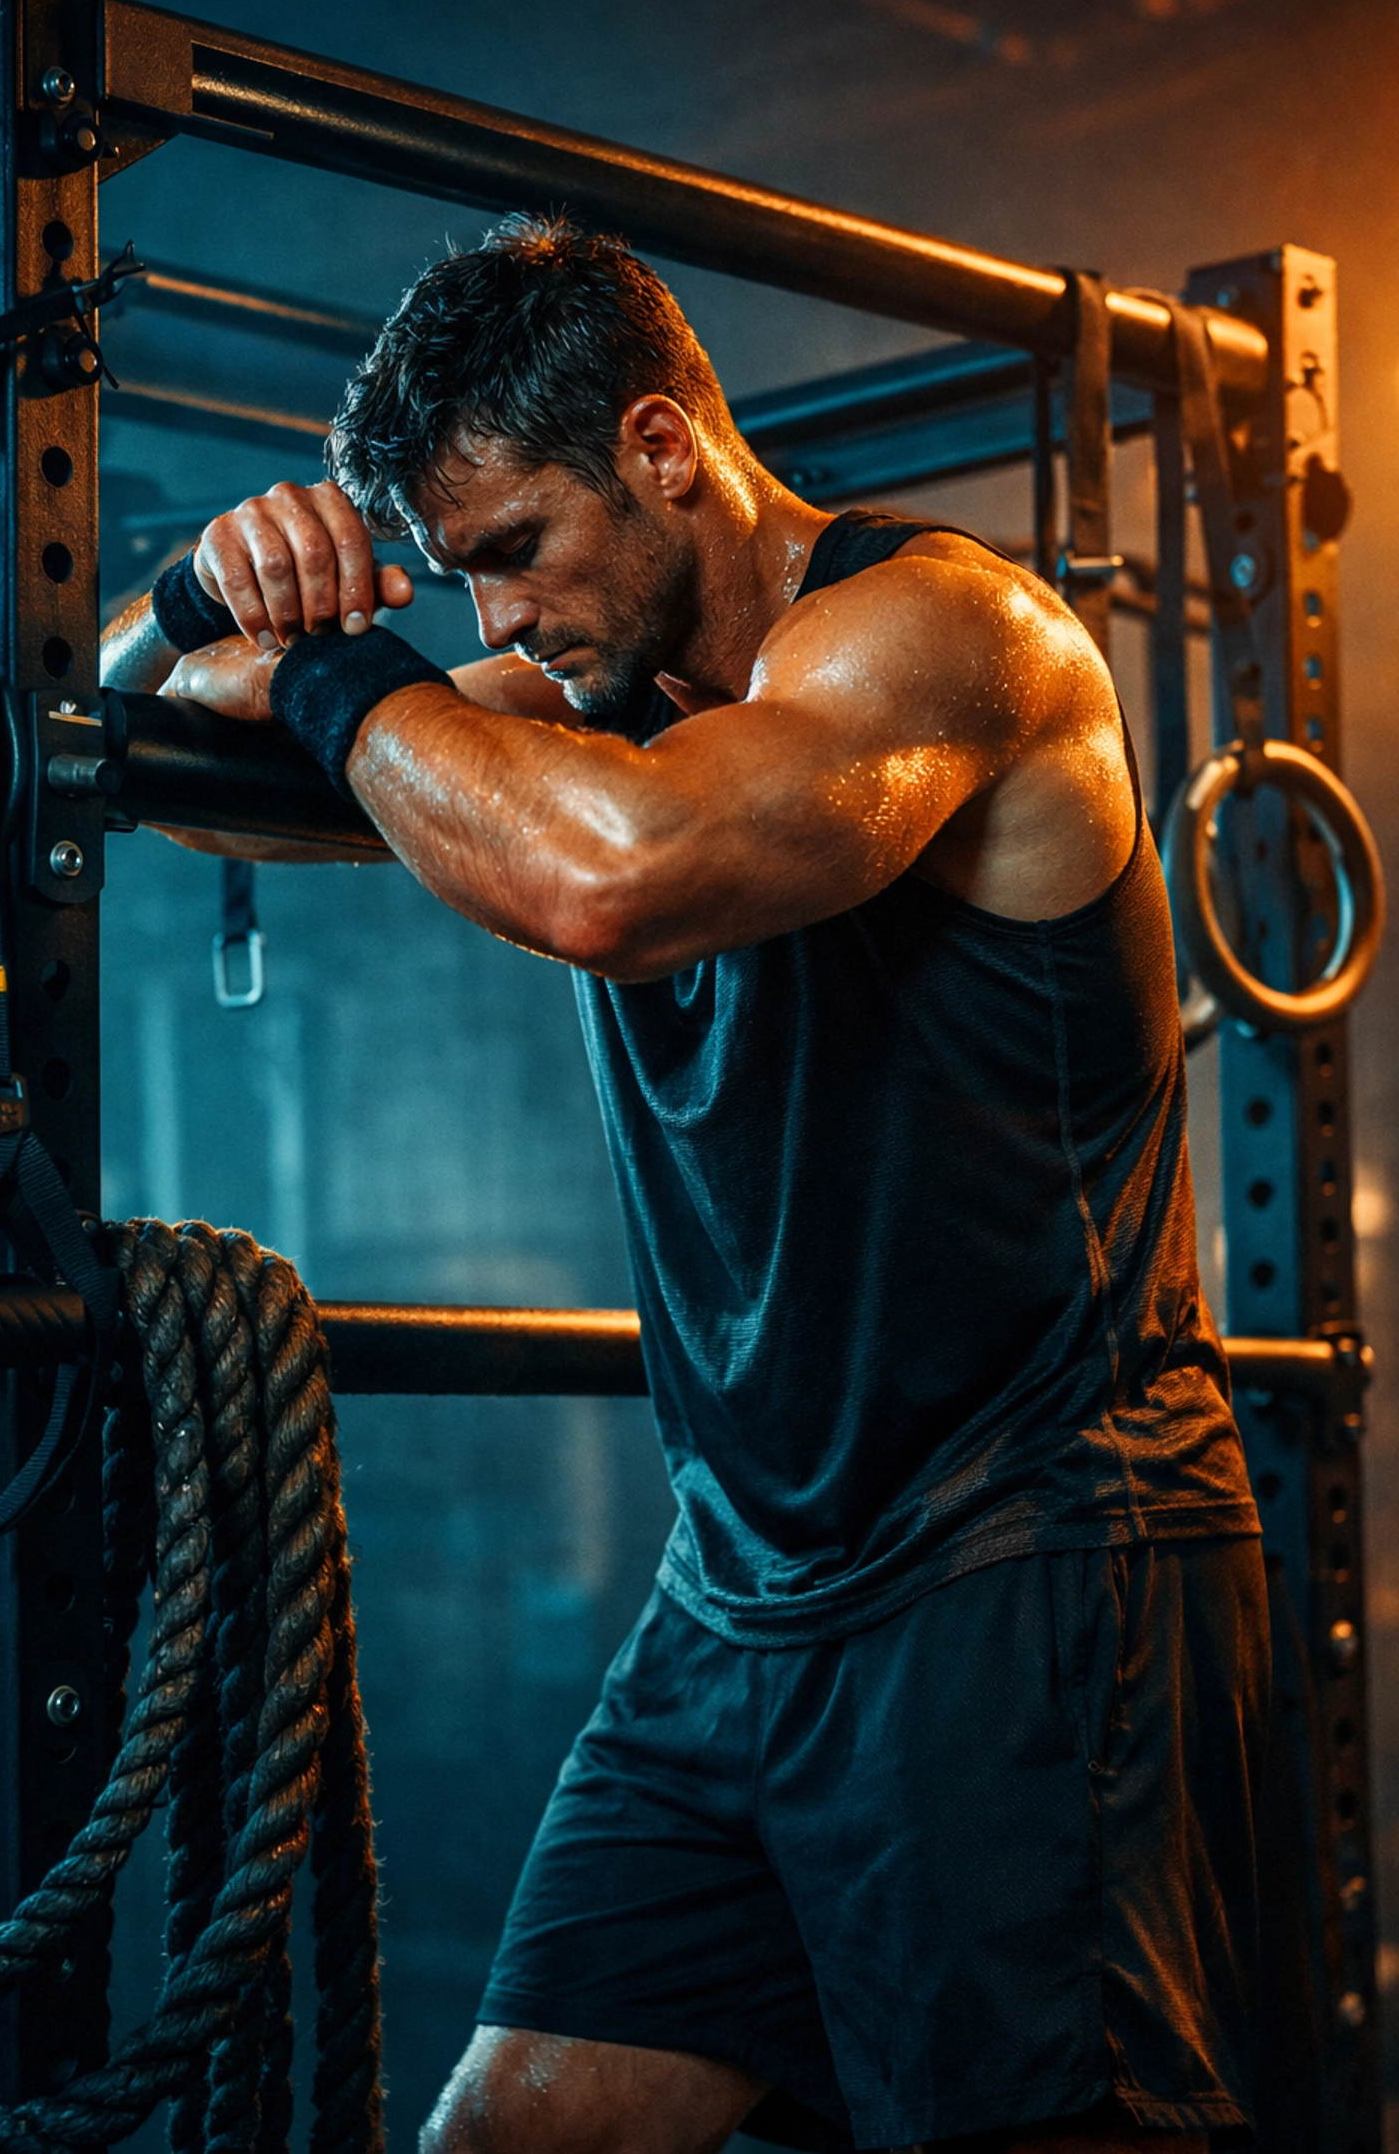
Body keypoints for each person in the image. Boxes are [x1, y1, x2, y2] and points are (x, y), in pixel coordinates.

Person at [102, 217, 1269, 2154]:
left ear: (660, 449)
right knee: (505, 2131)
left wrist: (346, 679)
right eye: (462, 575)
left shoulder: (944, 638)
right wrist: (200, 594)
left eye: (516, 548)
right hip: (741, 1603)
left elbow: (609, 878)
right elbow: (146, 756)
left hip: (1020, 1561)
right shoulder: (603, 697)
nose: (500, 617)